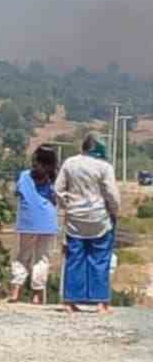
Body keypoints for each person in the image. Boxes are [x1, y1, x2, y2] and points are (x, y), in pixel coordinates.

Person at [55, 134, 120, 314]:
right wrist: (114, 211)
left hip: (75, 218)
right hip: (99, 218)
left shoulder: (69, 163)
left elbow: (58, 189)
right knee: (99, 259)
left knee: (74, 258)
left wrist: (67, 204)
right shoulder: (104, 167)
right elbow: (111, 194)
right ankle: (100, 302)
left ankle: (70, 301)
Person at [10, 145, 59, 304]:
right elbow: (56, 198)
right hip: (47, 222)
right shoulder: (53, 180)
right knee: (42, 258)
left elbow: (17, 192)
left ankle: (16, 290)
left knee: (23, 255)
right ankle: (37, 294)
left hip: (27, 221)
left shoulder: (24, 176)